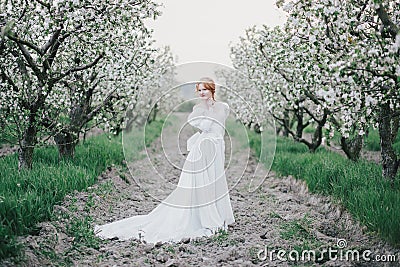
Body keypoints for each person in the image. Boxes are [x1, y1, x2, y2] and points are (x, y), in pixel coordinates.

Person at [94, 77, 235, 244]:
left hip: (217, 147)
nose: (202, 92)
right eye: (199, 90)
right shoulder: (197, 109)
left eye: (205, 89)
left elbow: (218, 123)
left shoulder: (222, 107)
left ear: (212, 90)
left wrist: (208, 109)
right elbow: (204, 126)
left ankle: (218, 213)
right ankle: (203, 217)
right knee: (199, 183)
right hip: (202, 149)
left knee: (215, 180)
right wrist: (204, 109)